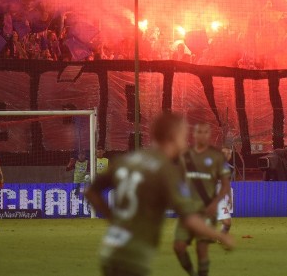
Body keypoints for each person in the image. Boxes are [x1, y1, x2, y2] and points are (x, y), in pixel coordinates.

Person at [84, 113, 234, 276]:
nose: (185, 143)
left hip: (109, 250)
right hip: (133, 258)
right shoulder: (165, 169)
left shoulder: (129, 159)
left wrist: (114, 220)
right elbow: (189, 218)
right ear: (172, 137)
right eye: (183, 136)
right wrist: (221, 236)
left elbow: (91, 191)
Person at [173, 123, 231, 276]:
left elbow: (225, 185)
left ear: (209, 135)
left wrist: (215, 203)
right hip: (187, 211)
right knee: (178, 247)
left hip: (206, 209)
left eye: (206, 132)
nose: (202, 135)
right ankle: (192, 272)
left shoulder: (216, 157)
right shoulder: (185, 156)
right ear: (194, 134)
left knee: (201, 249)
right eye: (199, 131)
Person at [216, 147, 235, 235]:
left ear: (230, 156)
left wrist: (230, 198)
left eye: (228, 153)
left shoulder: (230, 169)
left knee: (227, 223)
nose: (226, 155)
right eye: (224, 153)